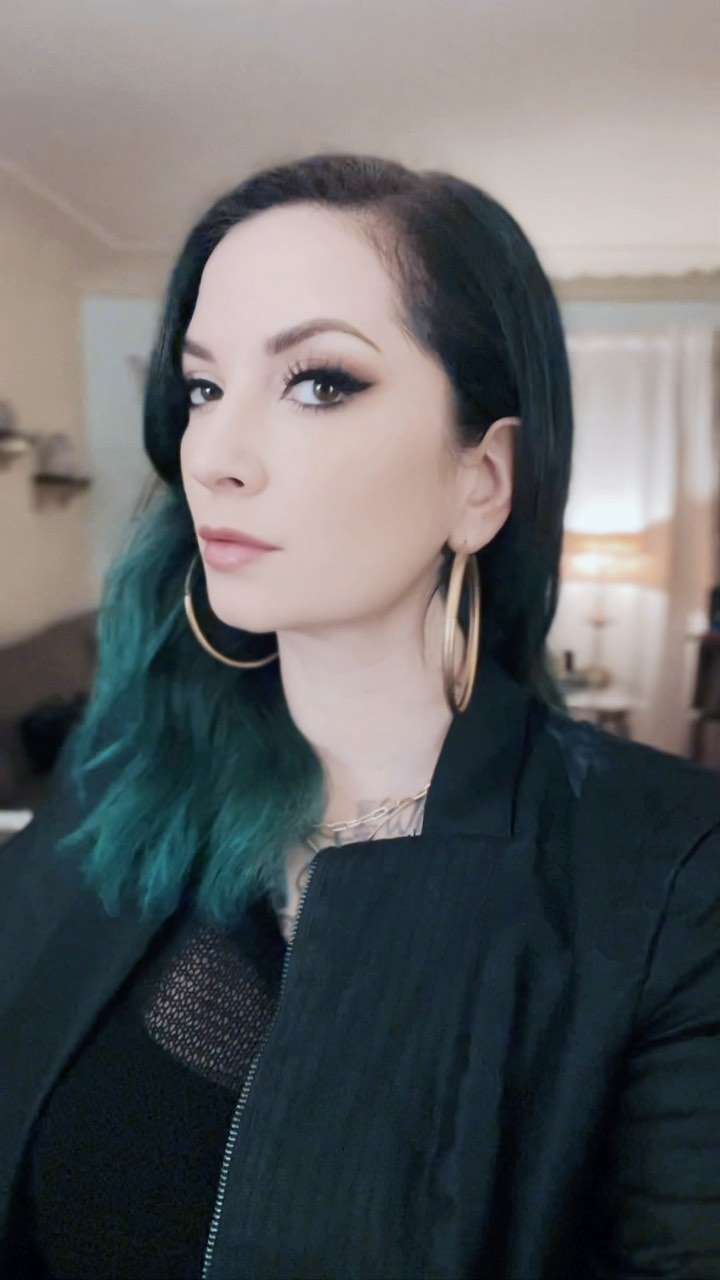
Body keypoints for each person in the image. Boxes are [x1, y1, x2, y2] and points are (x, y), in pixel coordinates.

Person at [1, 153, 718, 1280]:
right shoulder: (120, 785)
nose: (215, 456)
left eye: (319, 382)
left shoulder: (671, 872)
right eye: (203, 388)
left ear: (482, 479)